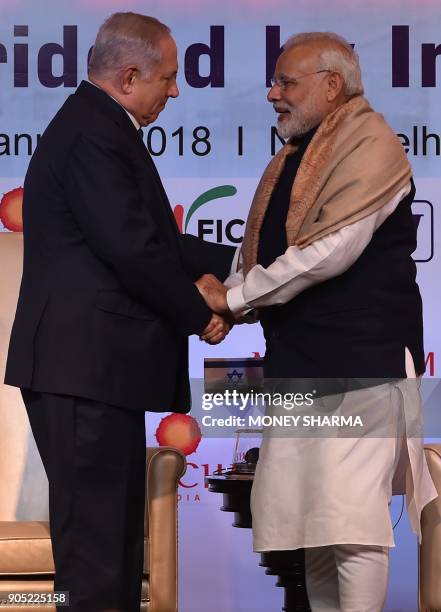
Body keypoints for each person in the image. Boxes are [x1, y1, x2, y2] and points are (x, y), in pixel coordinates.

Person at [196, 32, 438, 612]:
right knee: (311, 526)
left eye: (286, 82)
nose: (272, 94)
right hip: (300, 364)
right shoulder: (295, 157)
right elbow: (261, 251)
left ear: (333, 86)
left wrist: (232, 302)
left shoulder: (371, 145)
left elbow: (331, 252)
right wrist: (228, 294)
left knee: (351, 523)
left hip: (361, 363)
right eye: (274, 82)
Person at [5, 12, 235, 611]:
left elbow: (159, 239)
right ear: (131, 76)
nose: (177, 90)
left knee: (114, 557)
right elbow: (134, 249)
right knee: (97, 567)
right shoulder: (92, 134)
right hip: (84, 372)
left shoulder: (101, 126)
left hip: (96, 376)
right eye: (169, 77)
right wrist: (201, 312)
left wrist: (246, 265)